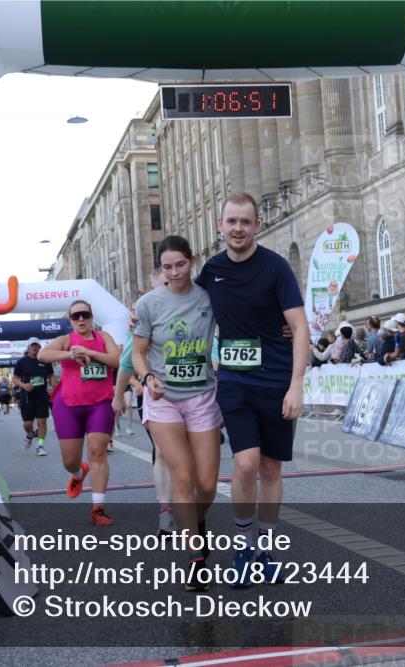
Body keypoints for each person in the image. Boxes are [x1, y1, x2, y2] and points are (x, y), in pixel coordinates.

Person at [195, 193, 310, 588]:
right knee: (245, 464)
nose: (238, 229)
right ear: (220, 225)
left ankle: (267, 549)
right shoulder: (211, 270)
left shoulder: (276, 268)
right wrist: (144, 311)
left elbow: (300, 328)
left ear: (257, 225)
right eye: (231, 222)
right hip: (234, 381)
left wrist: (296, 386)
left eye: (245, 222)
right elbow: (184, 304)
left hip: (276, 382)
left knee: (270, 468)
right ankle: (243, 547)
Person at [133, 235, 222, 592]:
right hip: (164, 398)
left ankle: (195, 526)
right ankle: (195, 558)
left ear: (192, 261)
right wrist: (147, 377)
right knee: (182, 478)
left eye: (180, 265)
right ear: (160, 269)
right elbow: (138, 352)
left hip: (202, 396)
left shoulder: (209, 298)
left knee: (208, 484)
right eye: (166, 267)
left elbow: (245, 316)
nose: (174, 273)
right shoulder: (149, 304)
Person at [38, 300, 119, 527]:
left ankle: (98, 509)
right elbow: (43, 356)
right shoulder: (65, 341)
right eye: (76, 316)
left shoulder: (104, 338)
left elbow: (117, 360)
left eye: (85, 315)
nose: (81, 319)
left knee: (97, 452)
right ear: (70, 320)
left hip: (100, 404)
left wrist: (90, 352)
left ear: (92, 317)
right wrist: (71, 356)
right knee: (70, 461)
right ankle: (77, 474)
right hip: (69, 405)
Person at [113, 279, 176, 536]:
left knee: (191, 456)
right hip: (157, 394)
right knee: (162, 452)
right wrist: (118, 396)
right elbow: (127, 363)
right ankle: (167, 512)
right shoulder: (141, 319)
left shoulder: (191, 307)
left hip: (195, 394)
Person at [12, 338, 53, 456]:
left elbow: (51, 375)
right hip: (27, 396)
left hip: (42, 395)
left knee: (42, 422)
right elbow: (15, 378)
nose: (35, 347)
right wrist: (24, 385)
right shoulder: (21, 362)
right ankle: (30, 434)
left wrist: (52, 384)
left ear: (40, 347)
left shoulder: (45, 361)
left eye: (37, 345)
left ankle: (40, 445)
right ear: (28, 348)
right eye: (32, 346)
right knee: (28, 424)